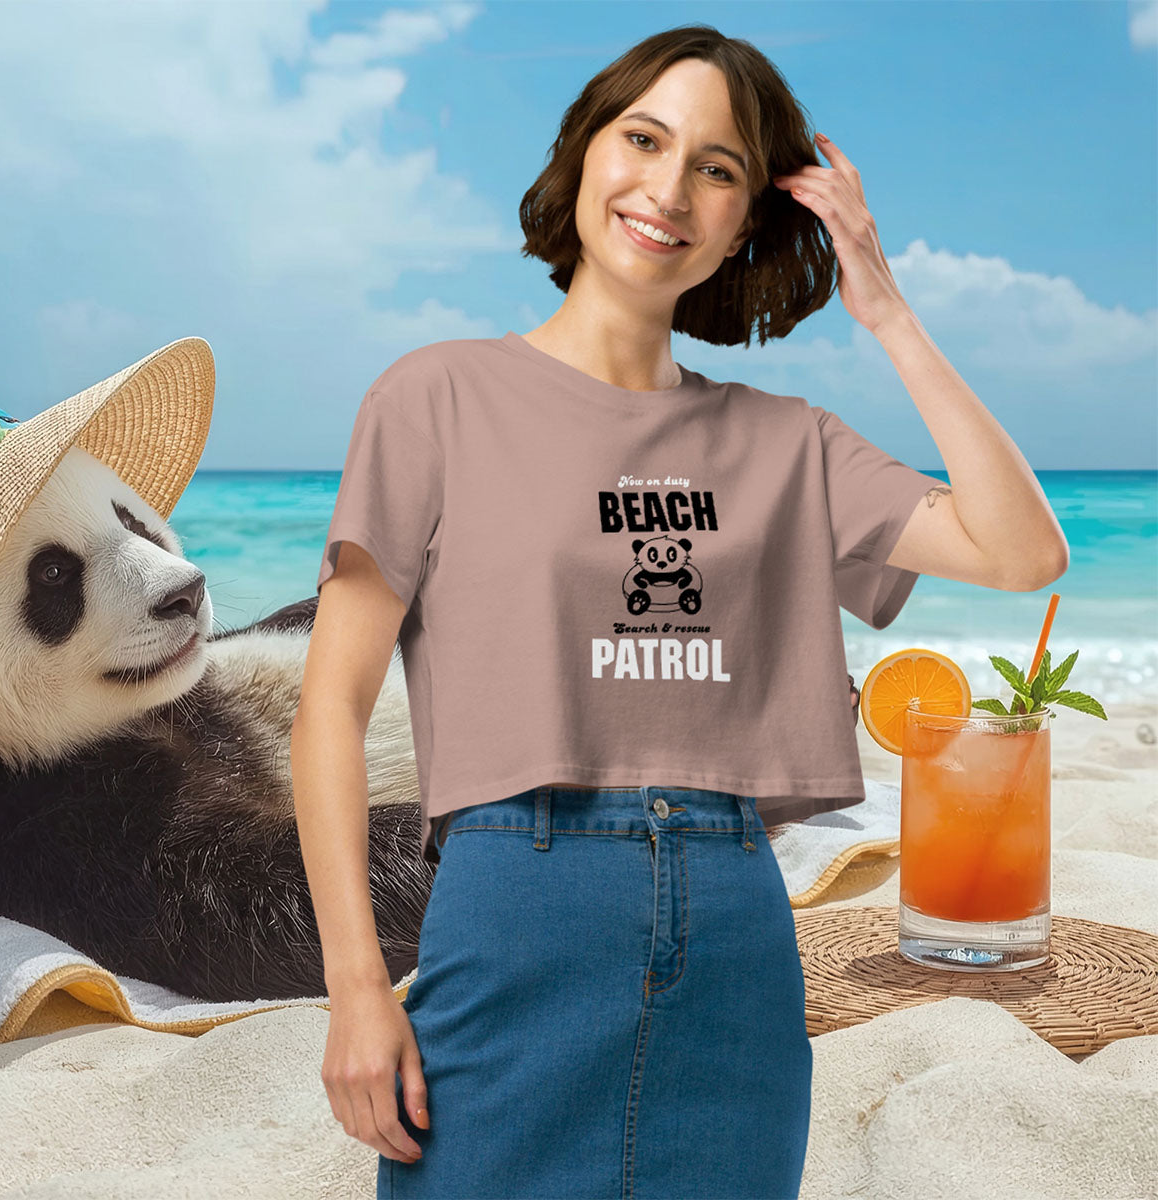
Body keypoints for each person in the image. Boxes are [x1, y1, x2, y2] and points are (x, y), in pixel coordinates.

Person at [291, 24, 1068, 1200]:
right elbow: (331, 710)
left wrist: (889, 312)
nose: (668, 188)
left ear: (749, 217)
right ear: (584, 154)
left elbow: (1021, 552)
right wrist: (356, 987)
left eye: (718, 167)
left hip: (734, 917)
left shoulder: (785, 441)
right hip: (515, 902)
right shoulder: (436, 396)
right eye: (643, 138)